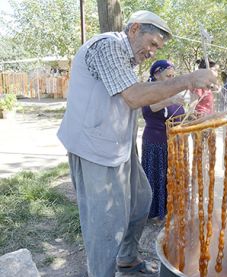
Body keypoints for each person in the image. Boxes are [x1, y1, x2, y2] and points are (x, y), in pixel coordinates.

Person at [57, 10, 217, 277]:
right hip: (93, 149)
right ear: (134, 29)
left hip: (117, 146)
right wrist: (188, 79)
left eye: (158, 47)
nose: (153, 51)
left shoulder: (126, 57)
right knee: (105, 227)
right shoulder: (106, 46)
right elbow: (133, 97)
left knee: (141, 200)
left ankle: (127, 259)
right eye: (152, 43)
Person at [141, 60, 184, 220]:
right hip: (156, 142)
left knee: (170, 176)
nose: (172, 79)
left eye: (173, 76)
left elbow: (179, 114)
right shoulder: (149, 91)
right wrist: (170, 100)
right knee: (157, 176)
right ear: (157, 74)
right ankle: (154, 211)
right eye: (168, 75)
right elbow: (148, 108)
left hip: (173, 142)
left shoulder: (171, 90)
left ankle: (168, 208)